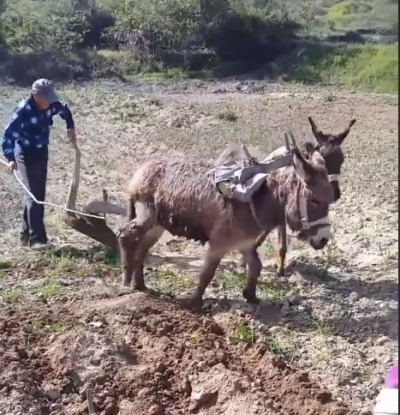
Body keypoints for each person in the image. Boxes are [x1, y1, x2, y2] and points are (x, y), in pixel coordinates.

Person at [1, 79, 77, 249]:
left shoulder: (51, 105)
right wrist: (10, 158)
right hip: (25, 155)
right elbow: (7, 137)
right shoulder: (23, 111)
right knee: (33, 195)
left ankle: (25, 235)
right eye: (46, 98)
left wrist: (70, 126)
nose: (50, 102)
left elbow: (64, 109)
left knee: (38, 195)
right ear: (36, 96)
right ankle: (37, 240)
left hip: (42, 151)